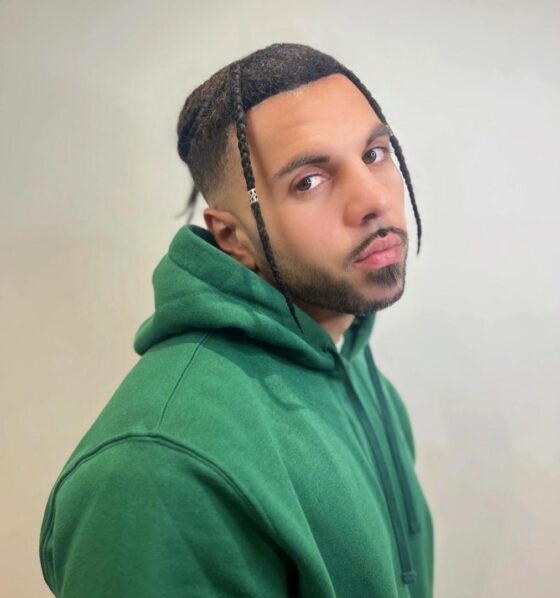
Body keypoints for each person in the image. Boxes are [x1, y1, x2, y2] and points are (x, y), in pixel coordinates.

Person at [39, 43, 434, 597]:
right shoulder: (157, 470)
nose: (373, 200)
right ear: (232, 237)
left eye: (374, 153)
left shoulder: (350, 359)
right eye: (309, 181)